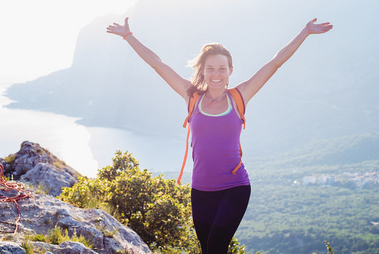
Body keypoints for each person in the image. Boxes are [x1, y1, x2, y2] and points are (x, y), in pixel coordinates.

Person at [106, 17, 333, 253]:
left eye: (222, 68)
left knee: (215, 246)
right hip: (201, 190)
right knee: (209, 250)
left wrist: (304, 32)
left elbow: (275, 63)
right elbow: (158, 64)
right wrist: (128, 36)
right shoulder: (192, 97)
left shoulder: (239, 97)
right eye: (210, 68)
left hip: (234, 187)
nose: (216, 74)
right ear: (202, 71)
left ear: (230, 70)